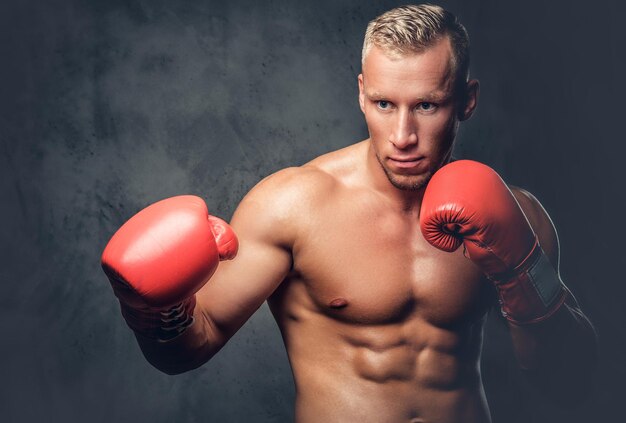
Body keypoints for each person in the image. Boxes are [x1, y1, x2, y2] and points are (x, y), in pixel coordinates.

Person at [101, 4, 597, 422]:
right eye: (384, 103)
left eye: (427, 106)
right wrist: (153, 311)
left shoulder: (516, 215)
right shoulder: (294, 205)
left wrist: (522, 275)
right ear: (361, 93)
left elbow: (569, 383)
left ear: (466, 101)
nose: (403, 135)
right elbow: (190, 348)